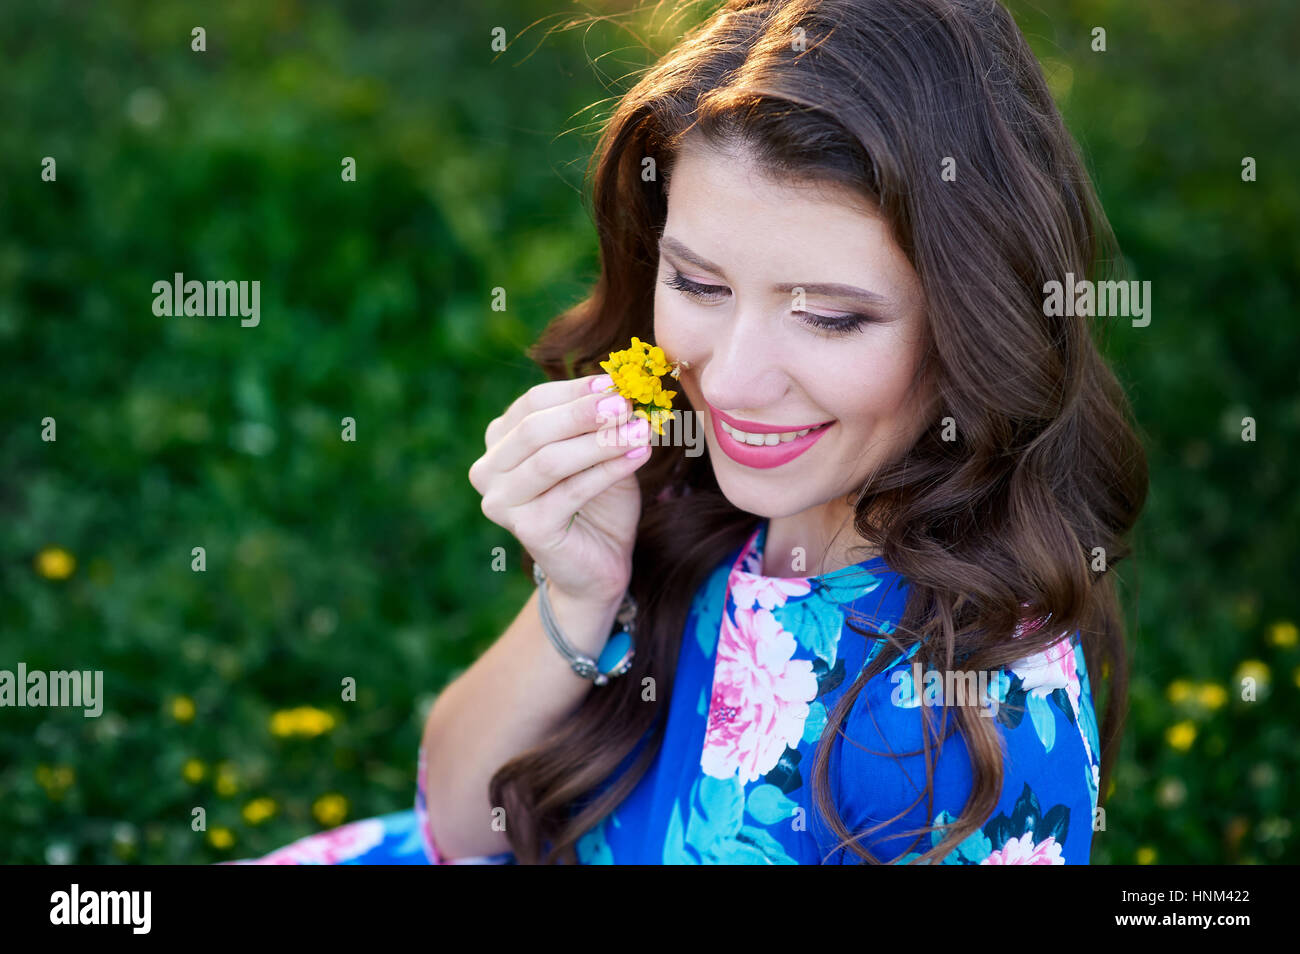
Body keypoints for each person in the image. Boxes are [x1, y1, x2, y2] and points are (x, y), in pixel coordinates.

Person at [236, 0, 1147, 866]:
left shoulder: (983, 730)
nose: (731, 382)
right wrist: (577, 599)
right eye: (700, 287)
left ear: (976, 325)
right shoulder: (685, 499)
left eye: (830, 317)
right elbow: (459, 822)